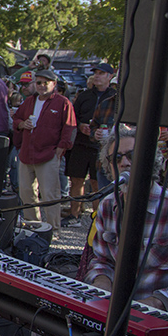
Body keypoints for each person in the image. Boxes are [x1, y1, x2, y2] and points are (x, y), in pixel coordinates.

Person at [85, 126, 168, 314]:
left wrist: (156, 302)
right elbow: (102, 260)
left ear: (150, 160)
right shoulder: (107, 205)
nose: (124, 163)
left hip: (160, 319)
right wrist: (101, 282)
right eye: (116, 158)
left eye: (131, 155)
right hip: (112, 311)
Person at [12, 70, 76, 235]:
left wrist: (61, 149)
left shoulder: (63, 103)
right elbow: (16, 119)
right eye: (38, 82)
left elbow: (69, 127)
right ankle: (33, 226)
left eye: (45, 82)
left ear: (54, 84)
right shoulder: (29, 101)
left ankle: (53, 229)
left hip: (48, 154)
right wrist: (22, 125)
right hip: (27, 153)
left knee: (50, 194)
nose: (41, 86)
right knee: (26, 192)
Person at [62, 62, 116, 227]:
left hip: (102, 148)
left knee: (97, 183)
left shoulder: (114, 98)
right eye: (96, 73)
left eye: (101, 73)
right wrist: (81, 126)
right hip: (82, 143)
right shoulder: (84, 95)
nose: (97, 76)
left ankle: (97, 217)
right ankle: (74, 215)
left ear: (110, 76)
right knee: (76, 179)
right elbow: (73, 116)